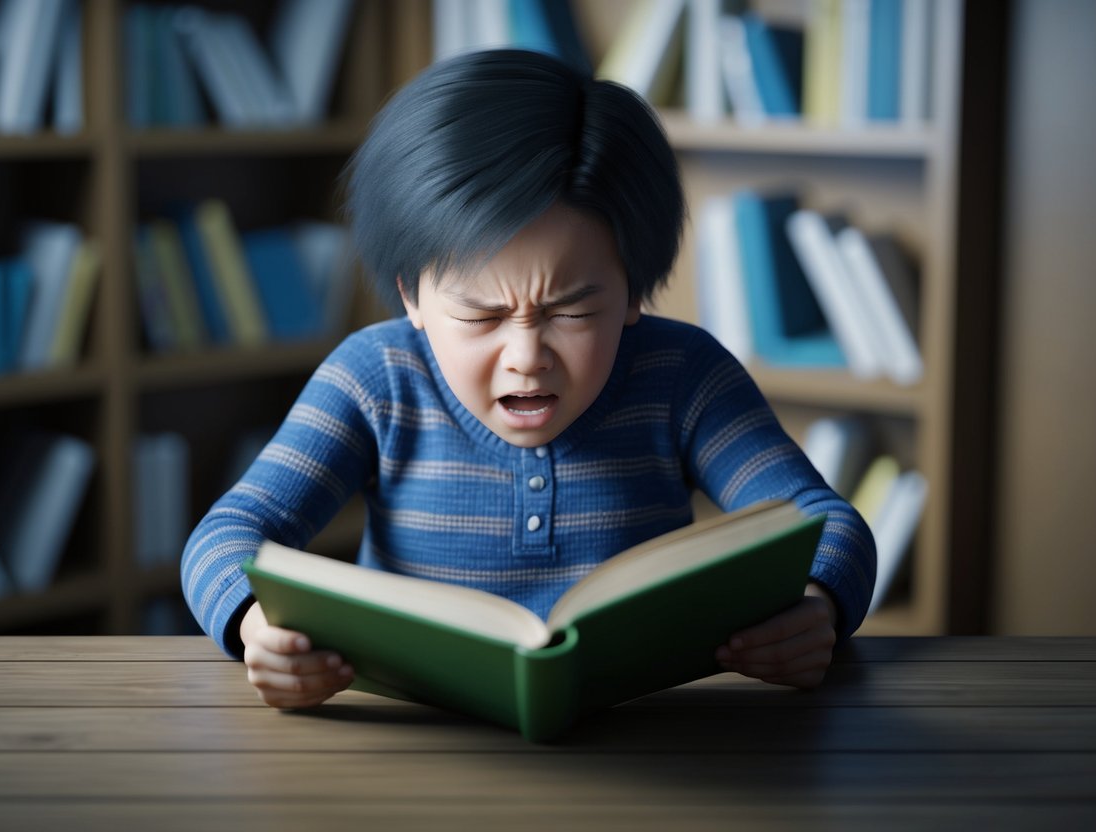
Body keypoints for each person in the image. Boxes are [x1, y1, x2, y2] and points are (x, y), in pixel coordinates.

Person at [181, 49, 876, 712]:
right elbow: (227, 533)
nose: (525, 355)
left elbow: (823, 522)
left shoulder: (682, 376)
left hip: (642, 734)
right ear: (413, 298)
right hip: (416, 735)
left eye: (570, 310)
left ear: (634, 290)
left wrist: (818, 604)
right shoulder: (375, 378)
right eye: (480, 314)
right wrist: (253, 629)